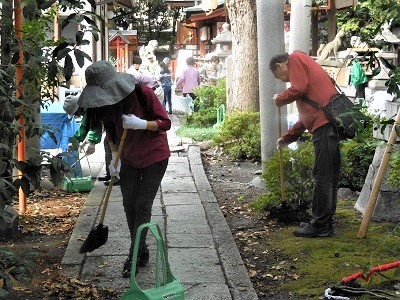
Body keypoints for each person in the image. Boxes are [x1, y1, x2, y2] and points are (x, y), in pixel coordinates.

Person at [77, 60, 171, 277]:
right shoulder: (105, 106)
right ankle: (141, 249)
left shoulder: (142, 94)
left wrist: (142, 124)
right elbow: (111, 134)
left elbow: (165, 122)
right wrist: (113, 160)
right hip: (127, 158)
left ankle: (134, 253)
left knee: (142, 204)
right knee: (129, 204)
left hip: (154, 157)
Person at [269, 51, 340, 238]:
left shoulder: (295, 59)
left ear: (280, 66)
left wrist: (280, 99)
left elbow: (299, 88)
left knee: (322, 175)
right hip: (326, 124)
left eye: (279, 77)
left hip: (325, 126)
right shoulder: (305, 70)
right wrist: (288, 137)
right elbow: (307, 116)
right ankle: (324, 220)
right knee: (328, 175)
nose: (286, 82)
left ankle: (320, 225)